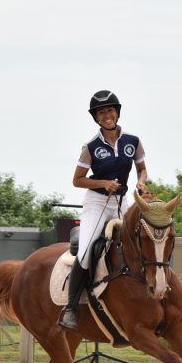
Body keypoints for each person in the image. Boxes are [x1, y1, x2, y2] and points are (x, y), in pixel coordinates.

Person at [59, 90, 148, 330]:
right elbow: (77, 180)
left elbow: (141, 169)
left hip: (122, 202)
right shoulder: (91, 146)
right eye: (101, 113)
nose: (107, 115)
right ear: (96, 118)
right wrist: (103, 183)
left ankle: (154, 292)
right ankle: (71, 308)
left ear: (117, 113)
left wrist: (141, 183)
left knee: (143, 241)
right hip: (97, 203)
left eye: (110, 111)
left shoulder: (133, 141)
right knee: (86, 250)